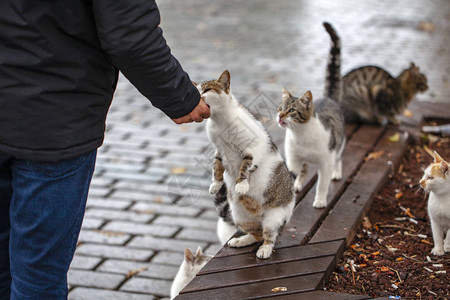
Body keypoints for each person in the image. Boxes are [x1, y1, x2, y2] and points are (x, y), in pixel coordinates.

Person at [0, 1, 210, 299]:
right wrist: (181, 97)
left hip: (44, 116)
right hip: (52, 124)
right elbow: (128, 32)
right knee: (38, 277)